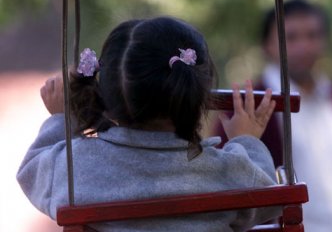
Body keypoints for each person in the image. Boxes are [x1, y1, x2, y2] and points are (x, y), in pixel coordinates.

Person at [17, 16, 280, 231]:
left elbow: (32, 171)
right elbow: (270, 199)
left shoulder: (78, 168)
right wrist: (247, 140)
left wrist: (62, 118)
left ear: (106, 92)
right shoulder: (225, 171)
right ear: (195, 94)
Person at [214, 0, 332, 231]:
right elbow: (228, 185)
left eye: (312, 35)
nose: (303, 46)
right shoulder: (246, 106)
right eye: (291, 37)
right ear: (267, 44)